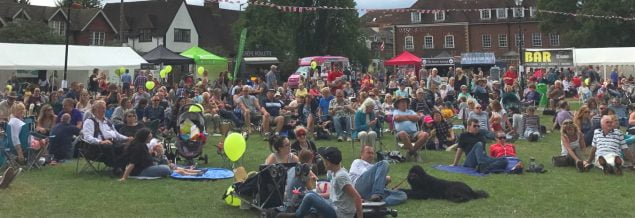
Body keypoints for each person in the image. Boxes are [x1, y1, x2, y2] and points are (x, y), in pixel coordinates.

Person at [277, 147, 363, 218]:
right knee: (310, 193)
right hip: (333, 205)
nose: (323, 163)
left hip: (339, 214)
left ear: (329, 162)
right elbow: (335, 194)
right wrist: (318, 195)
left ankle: (297, 215)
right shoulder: (334, 172)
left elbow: (357, 197)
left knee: (310, 196)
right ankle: (299, 210)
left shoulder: (341, 176)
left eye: (324, 160)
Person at [82, 100, 132, 171]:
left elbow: (116, 134)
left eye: (104, 108)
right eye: (102, 108)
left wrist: (127, 138)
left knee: (127, 146)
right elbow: (87, 137)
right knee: (108, 146)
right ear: (95, 109)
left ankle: (124, 167)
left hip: (113, 143)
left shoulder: (107, 121)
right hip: (95, 148)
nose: (104, 110)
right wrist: (100, 142)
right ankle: (117, 168)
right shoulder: (89, 122)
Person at [393, 97, 429, 162]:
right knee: (403, 133)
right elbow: (397, 118)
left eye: (405, 102)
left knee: (425, 134)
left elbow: (417, 118)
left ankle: (410, 152)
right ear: (398, 105)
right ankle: (415, 154)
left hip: (414, 133)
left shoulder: (411, 111)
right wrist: (410, 118)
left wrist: (404, 118)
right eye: (401, 102)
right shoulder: (396, 111)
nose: (404, 103)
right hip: (401, 133)